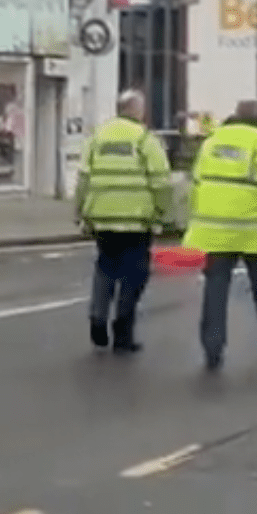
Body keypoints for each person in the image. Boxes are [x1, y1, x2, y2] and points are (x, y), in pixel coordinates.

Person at [183, 100, 257, 371]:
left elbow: (196, 184)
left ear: (234, 115)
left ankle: (212, 347)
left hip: (213, 229)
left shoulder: (212, 142)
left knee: (215, 288)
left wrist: (195, 220)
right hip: (253, 231)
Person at [75, 89, 173, 354]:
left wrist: (80, 211)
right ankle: (122, 332)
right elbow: (161, 182)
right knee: (134, 275)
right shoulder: (144, 139)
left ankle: (97, 318)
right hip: (135, 220)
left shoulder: (98, 136)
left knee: (105, 267)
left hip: (102, 217)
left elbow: (83, 178)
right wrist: (164, 214)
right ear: (137, 110)